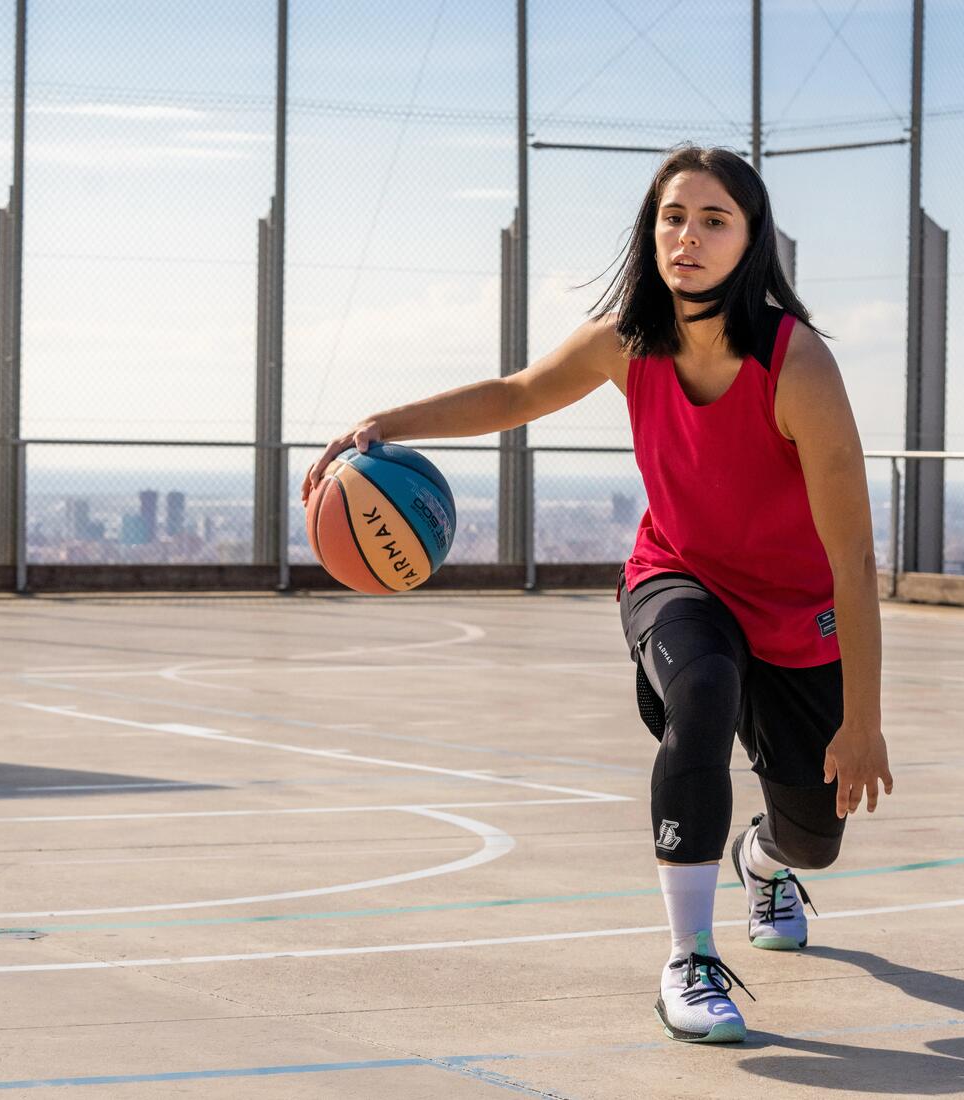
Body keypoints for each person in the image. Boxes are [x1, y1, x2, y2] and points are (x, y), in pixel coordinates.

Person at [301, 144, 894, 1045]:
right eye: (672, 217)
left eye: (712, 220)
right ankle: (688, 959)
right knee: (701, 690)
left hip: (794, 609)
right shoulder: (628, 340)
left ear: (751, 237)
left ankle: (765, 861)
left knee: (815, 835)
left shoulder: (798, 366)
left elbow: (852, 558)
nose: (686, 237)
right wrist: (385, 423)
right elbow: (516, 393)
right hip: (678, 573)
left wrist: (864, 720)